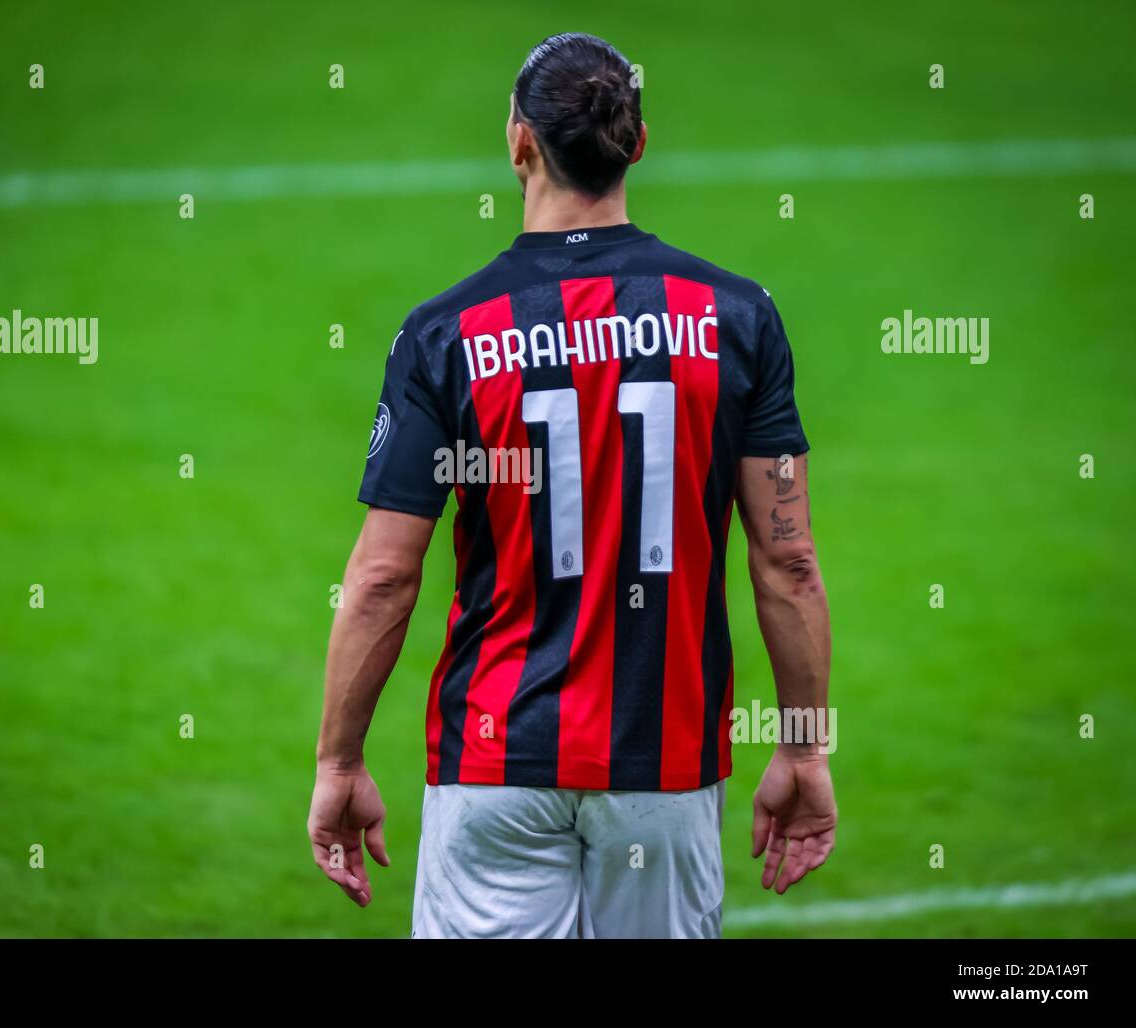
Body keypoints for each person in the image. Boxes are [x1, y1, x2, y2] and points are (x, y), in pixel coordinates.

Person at [308, 31, 835, 938]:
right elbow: (788, 565)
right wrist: (802, 745)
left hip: (494, 760)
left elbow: (386, 576)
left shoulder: (448, 334)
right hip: (663, 771)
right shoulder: (738, 317)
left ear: (519, 143)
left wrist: (338, 762)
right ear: (636, 143)